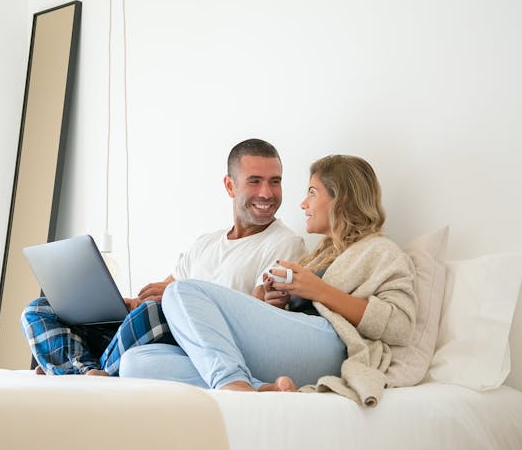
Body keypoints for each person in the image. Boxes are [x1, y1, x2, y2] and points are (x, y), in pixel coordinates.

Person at [118, 154, 418, 394]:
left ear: (341, 199)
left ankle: (232, 384)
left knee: (181, 291)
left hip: (332, 346)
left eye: (312, 193)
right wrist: (270, 299)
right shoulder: (320, 254)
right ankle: (260, 389)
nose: (303, 203)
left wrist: (317, 290)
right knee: (136, 363)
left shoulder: (381, 251)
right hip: (294, 346)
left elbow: (400, 326)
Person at [20, 138, 307, 376]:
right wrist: (131, 303)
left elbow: (256, 320)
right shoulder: (205, 244)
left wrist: (163, 302)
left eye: (275, 182)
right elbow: (163, 290)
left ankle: (77, 370)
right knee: (40, 309)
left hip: (193, 340)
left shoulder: (285, 244)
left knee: (154, 313)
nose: (267, 193)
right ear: (230, 186)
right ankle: (85, 371)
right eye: (255, 181)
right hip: (151, 327)